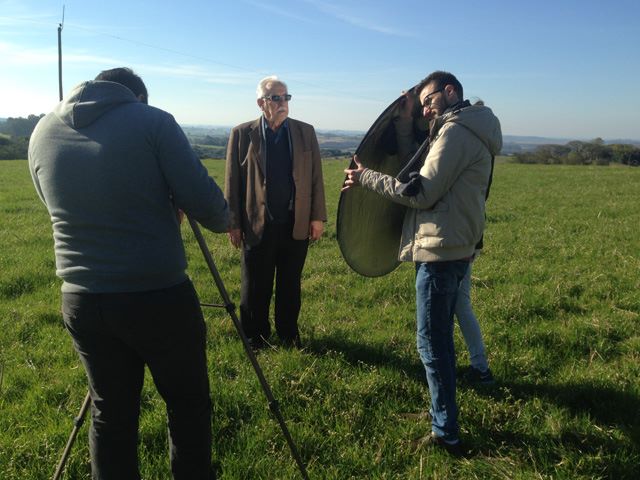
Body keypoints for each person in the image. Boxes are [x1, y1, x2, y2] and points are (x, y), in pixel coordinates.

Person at [29, 67, 228, 479]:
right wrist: (228, 219)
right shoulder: (154, 122)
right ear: (137, 97)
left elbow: (51, 203)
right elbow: (207, 206)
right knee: (187, 405)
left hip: (81, 298)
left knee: (110, 412)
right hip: (157, 294)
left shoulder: (42, 132)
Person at [343, 71, 502, 455]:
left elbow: (421, 190)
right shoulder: (468, 128)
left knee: (431, 344)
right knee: (441, 339)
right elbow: (417, 159)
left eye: (430, 100)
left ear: (451, 92)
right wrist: (404, 118)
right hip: (455, 245)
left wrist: (366, 178)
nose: (427, 109)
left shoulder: (456, 133)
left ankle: (446, 431)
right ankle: (441, 411)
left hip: (439, 250)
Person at [225, 76, 327, 350]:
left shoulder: (305, 132)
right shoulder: (242, 133)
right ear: (261, 103)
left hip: (296, 222)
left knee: (289, 285)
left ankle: (288, 335)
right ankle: (254, 338)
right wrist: (233, 223)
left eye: (286, 97)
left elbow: (316, 176)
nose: (283, 103)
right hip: (256, 223)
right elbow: (232, 181)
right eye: (276, 98)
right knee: (255, 285)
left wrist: (317, 217)